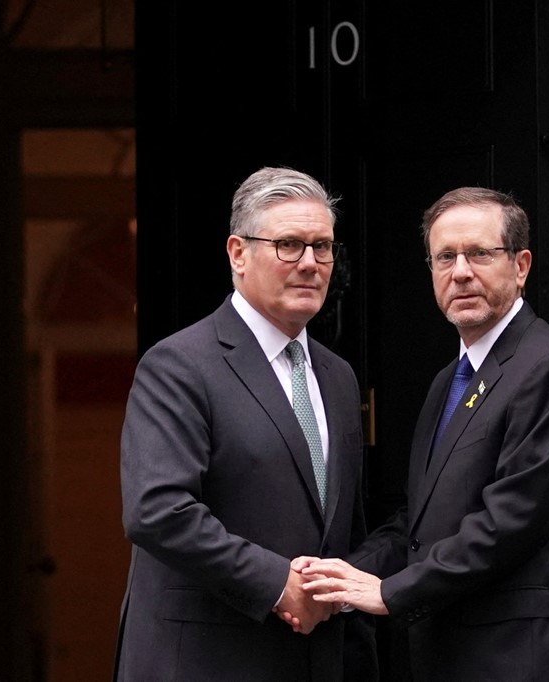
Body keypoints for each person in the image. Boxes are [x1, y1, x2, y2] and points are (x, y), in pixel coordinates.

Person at [296, 187, 549, 680]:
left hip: (526, 658)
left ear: (521, 265)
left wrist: (389, 592)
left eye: (480, 254)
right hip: (452, 655)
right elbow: (418, 524)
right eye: (445, 257)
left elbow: (508, 522)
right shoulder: (450, 380)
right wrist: (341, 577)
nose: (460, 272)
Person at [113, 166, 376, 681]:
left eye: (322, 247)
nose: (310, 263)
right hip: (207, 661)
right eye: (288, 245)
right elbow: (157, 512)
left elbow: (344, 528)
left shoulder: (338, 377)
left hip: (318, 660)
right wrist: (278, 584)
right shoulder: (179, 365)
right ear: (238, 253)